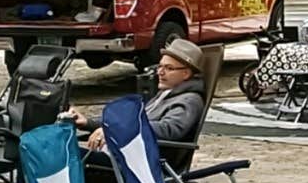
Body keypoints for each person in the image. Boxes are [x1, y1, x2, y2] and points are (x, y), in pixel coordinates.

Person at [63, 38, 209, 154]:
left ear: (186, 73)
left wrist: (118, 130)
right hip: (130, 154)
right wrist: (87, 122)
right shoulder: (166, 94)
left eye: (169, 68)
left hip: (146, 163)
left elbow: (169, 129)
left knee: (66, 158)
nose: (160, 72)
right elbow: (129, 120)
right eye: (160, 66)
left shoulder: (190, 100)